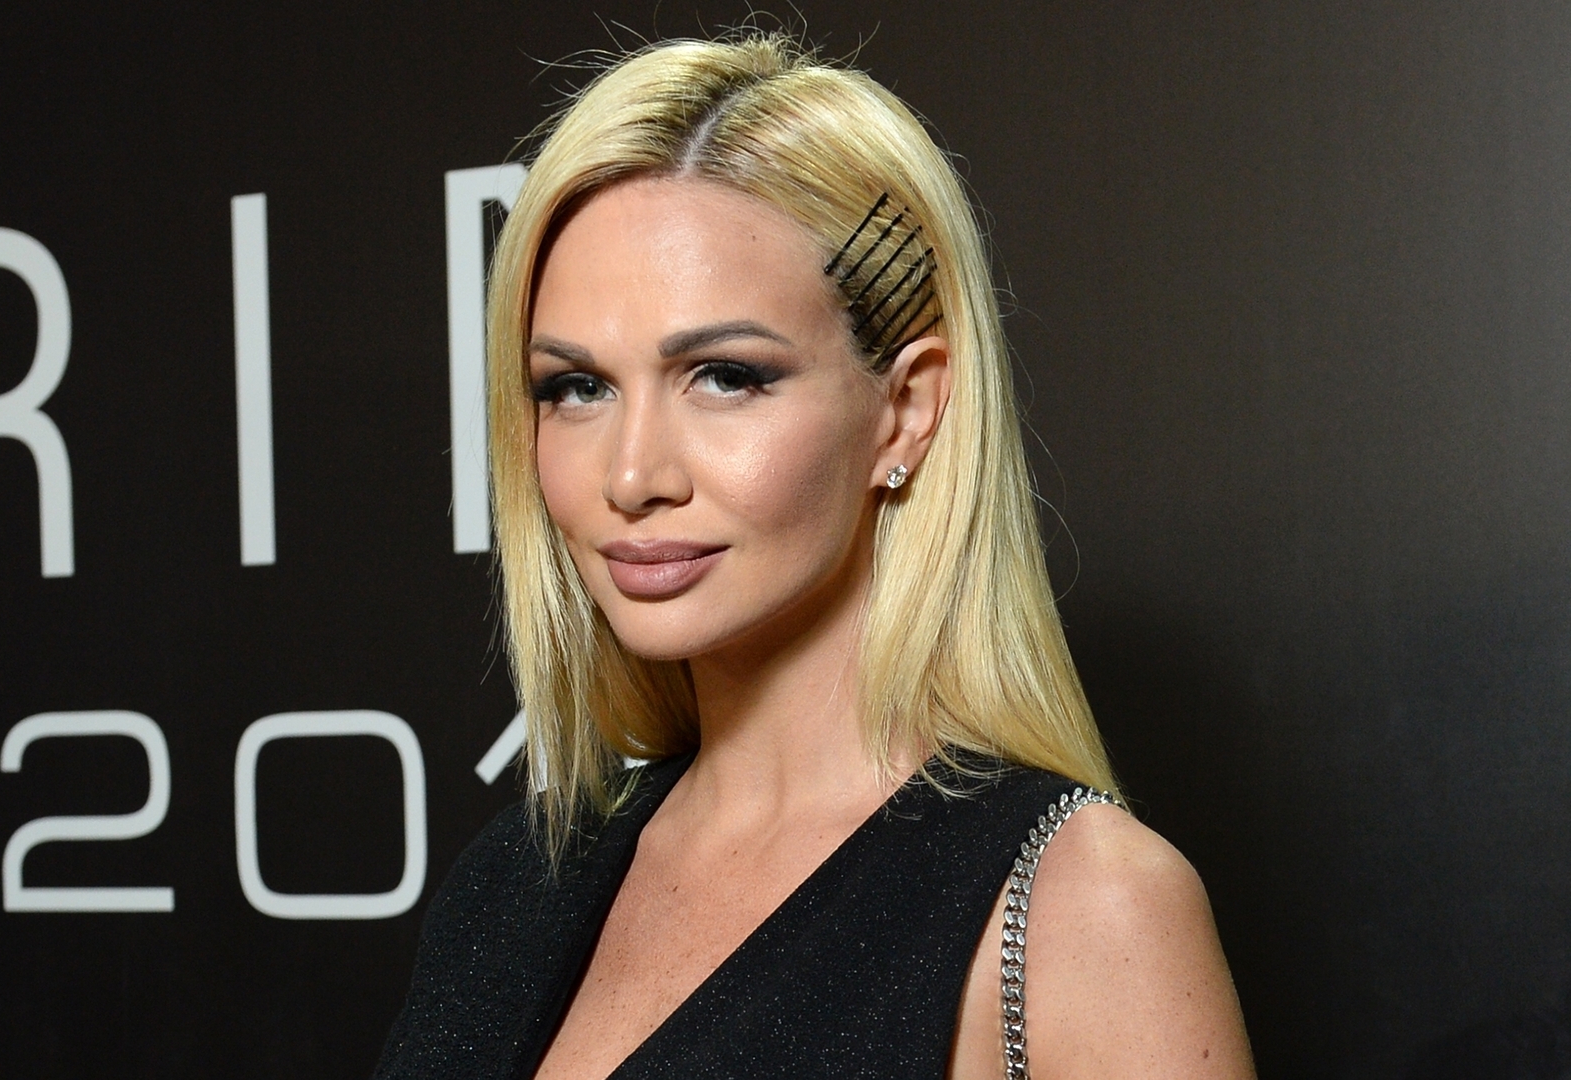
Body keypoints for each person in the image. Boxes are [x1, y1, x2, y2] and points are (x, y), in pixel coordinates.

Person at [376, 31, 1256, 1080]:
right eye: (576, 388)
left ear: (906, 409)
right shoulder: (514, 878)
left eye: (725, 376)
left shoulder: (1083, 910)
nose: (631, 475)